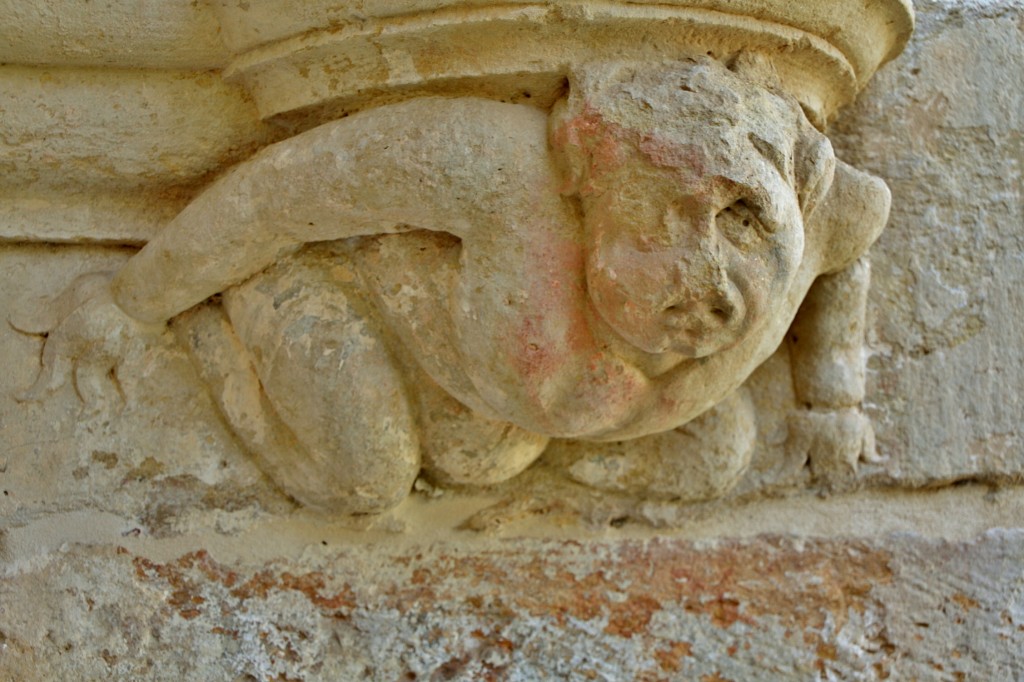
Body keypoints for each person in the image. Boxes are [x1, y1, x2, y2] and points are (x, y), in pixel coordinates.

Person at [19, 55, 890, 512]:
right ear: (589, 184)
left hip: (496, 399)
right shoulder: (505, 172)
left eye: (745, 220)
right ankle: (216, 344)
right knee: (363, 477)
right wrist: (134, 303)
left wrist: (834, 393)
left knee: (711, 454)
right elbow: (282, 197)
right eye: (656, 225)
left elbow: (860, 226)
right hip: (355, 305)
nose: (707, 280)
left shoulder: (821, 213)